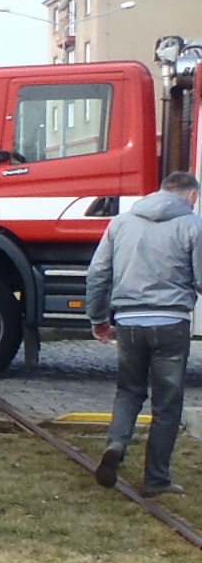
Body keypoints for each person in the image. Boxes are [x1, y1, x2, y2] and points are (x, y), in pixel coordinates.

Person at [88, 170, 202, 496]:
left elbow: (97, 274)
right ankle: (156, 479)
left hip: (129, 322)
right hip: (171, 324)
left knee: (128, 391)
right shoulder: (193, 226)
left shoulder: (121, 222)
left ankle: (117, 444)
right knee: (167, 404)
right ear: (191, 196)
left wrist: (98, 318)